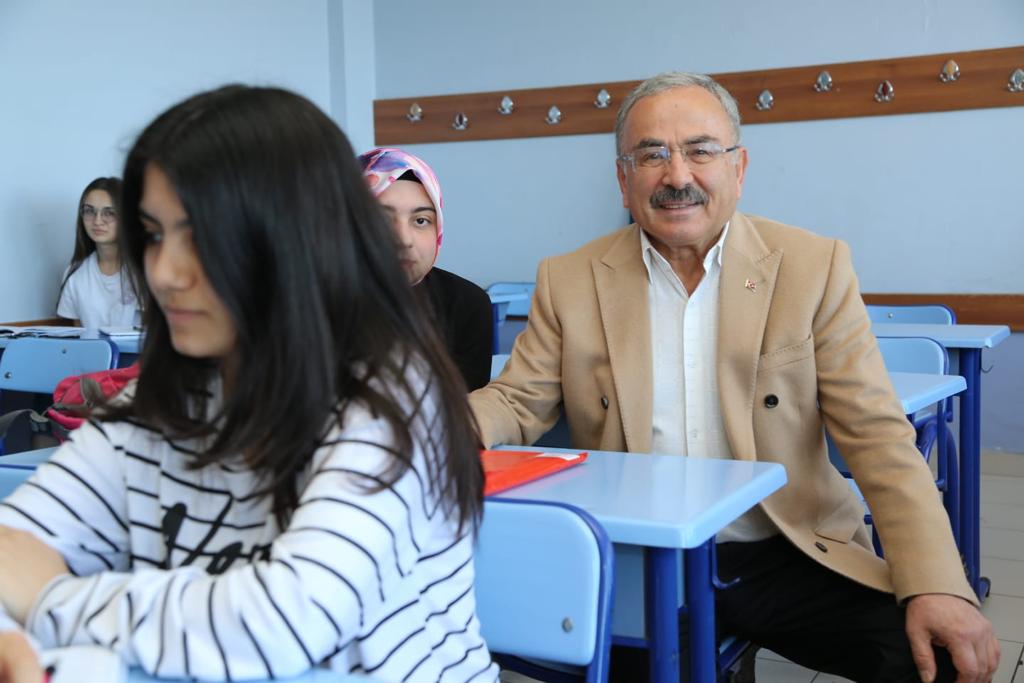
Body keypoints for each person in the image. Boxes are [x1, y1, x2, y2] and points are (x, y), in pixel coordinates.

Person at [469, 71, 999, 682]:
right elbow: (517, 398)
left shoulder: (812, 266)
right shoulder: (569, 278)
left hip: (784, 546)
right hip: (645, 558)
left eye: (700, 151)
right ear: (623, 178)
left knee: (938, 661)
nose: (677, 176)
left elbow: (877, 434)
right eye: (651, 155)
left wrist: (937, 584)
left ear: (738, 168)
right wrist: (423, 431)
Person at [0, 85, 497, 683]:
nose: (165, 273)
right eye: (154, 235)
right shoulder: (154, 405)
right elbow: (10, 547)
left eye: (203, 238)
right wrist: (18, 644)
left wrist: (50, 601)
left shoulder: (391, 400)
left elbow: (285, 622)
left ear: (303, 240)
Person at [359, 148, 492, 391]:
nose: (404, 240)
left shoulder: (467, 304)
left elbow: (468, 406)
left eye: (421, 221)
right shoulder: (315, 304)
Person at [56, 177, 141, 328]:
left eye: (109, 213)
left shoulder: (143, 271)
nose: (97, 221)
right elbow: (79, 335)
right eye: (89, 211)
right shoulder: (74, 273)